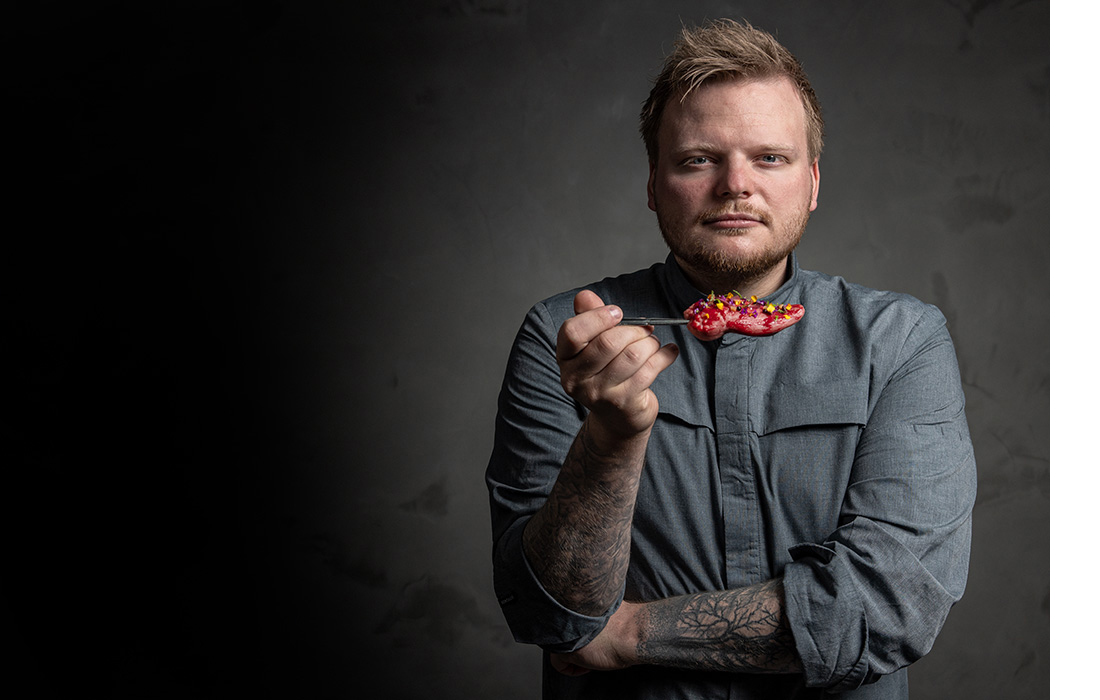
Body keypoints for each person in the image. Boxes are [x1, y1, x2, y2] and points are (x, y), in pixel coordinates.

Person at [486, 18, 975, 699]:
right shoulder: (566, 335)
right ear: (654, 184)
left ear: (811, 182)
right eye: (697, 159)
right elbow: (551, 613)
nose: (735, 185)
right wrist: (611, 439)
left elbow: (887, 608)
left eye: (769, 158)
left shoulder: (902, 340)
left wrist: (630, 634)